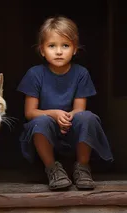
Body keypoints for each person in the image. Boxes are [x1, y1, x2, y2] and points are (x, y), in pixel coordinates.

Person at [17, 15, 113, 190]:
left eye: (65, 45)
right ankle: (52, 169)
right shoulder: (35, 74)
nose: (59, 51)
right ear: (42, 50)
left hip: (71, 126)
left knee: (88, 117)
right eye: (52, 46)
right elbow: (30, 112)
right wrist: (54, 114)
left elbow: (79, 109)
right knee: (39, 122)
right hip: (46, 130)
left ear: (75, 49)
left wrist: (67, 118)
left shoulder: (81, 73)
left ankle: (82, 168)